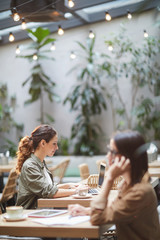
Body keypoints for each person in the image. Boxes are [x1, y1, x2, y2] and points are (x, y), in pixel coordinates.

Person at [68, 130, 160, 240]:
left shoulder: (139, 192)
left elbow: (97, 218)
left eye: (112, 151)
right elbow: (113, 209)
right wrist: (86, 211)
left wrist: (109, 179)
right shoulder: (127, 184)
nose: (108, 155)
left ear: (127, 157)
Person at [16, 124, 79, 209]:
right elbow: (49, 192)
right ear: (43, 143)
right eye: (54, 144)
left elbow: (48, 187)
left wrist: (69, 185)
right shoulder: (30, 166)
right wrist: (76, 191)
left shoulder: (41, 162)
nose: (56, 148)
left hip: (44, 212)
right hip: (30, 215)